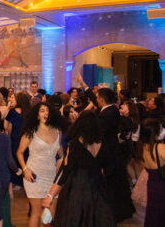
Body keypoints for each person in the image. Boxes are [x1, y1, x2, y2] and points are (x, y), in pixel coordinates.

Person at [42, 111, 116, 226]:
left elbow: (64, 172)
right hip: (98, 189)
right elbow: (109, 169)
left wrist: (50, 196)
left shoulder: (74, 145)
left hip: (77, 190)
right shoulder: (103, 144)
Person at [16, 102, 62, 227]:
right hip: (34, 176)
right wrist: (25, 169)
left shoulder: (57, 132)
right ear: (37, 115)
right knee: (36, 212)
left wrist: (61, 161)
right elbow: (19, 153)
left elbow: (61, 154)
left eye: (47, 110)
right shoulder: (31, 132)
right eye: (42, 111)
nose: (46, 113)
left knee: (51, 214)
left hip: (52, 177)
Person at [96, 88, 134, 222]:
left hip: (109, 152)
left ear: (101, 98)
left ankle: (113, 212)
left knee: (112, 183)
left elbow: (101, 132)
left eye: (97, 97)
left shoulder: (108, 113)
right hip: (113, 151)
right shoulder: (111, 110)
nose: (96, 100)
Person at [135, 118, 165, 227]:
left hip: (152, 185)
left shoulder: (140, 147)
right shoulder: (160, 148)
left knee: (153, 212)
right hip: (162, 185)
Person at [5, 93, 30, 188]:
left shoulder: (12, 112)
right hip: (27, 138)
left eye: (14, 99)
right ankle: (24, 182)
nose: (12, 100)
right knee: (25, 158)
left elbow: (7, 127)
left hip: (15, 138)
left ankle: (16, 181)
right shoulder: (29, 112)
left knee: (15, 158)